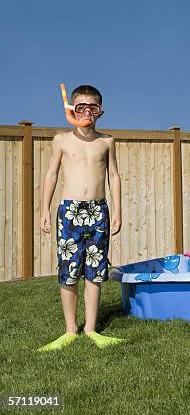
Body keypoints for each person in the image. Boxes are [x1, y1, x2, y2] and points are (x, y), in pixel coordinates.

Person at [38, 84, 126, 351]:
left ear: (100, 112)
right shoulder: (62, 140)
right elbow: (51, 174)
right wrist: (44, 208)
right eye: (81, 107)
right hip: (70, 212)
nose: (87, 111)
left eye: (93, 107)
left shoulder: (106, 141)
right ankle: (69, 330)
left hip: (98, 211)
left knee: (96, 271)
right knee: (69, 270)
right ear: (71, 109)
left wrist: (118, 211)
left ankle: (90, 329)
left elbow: (114, 176)